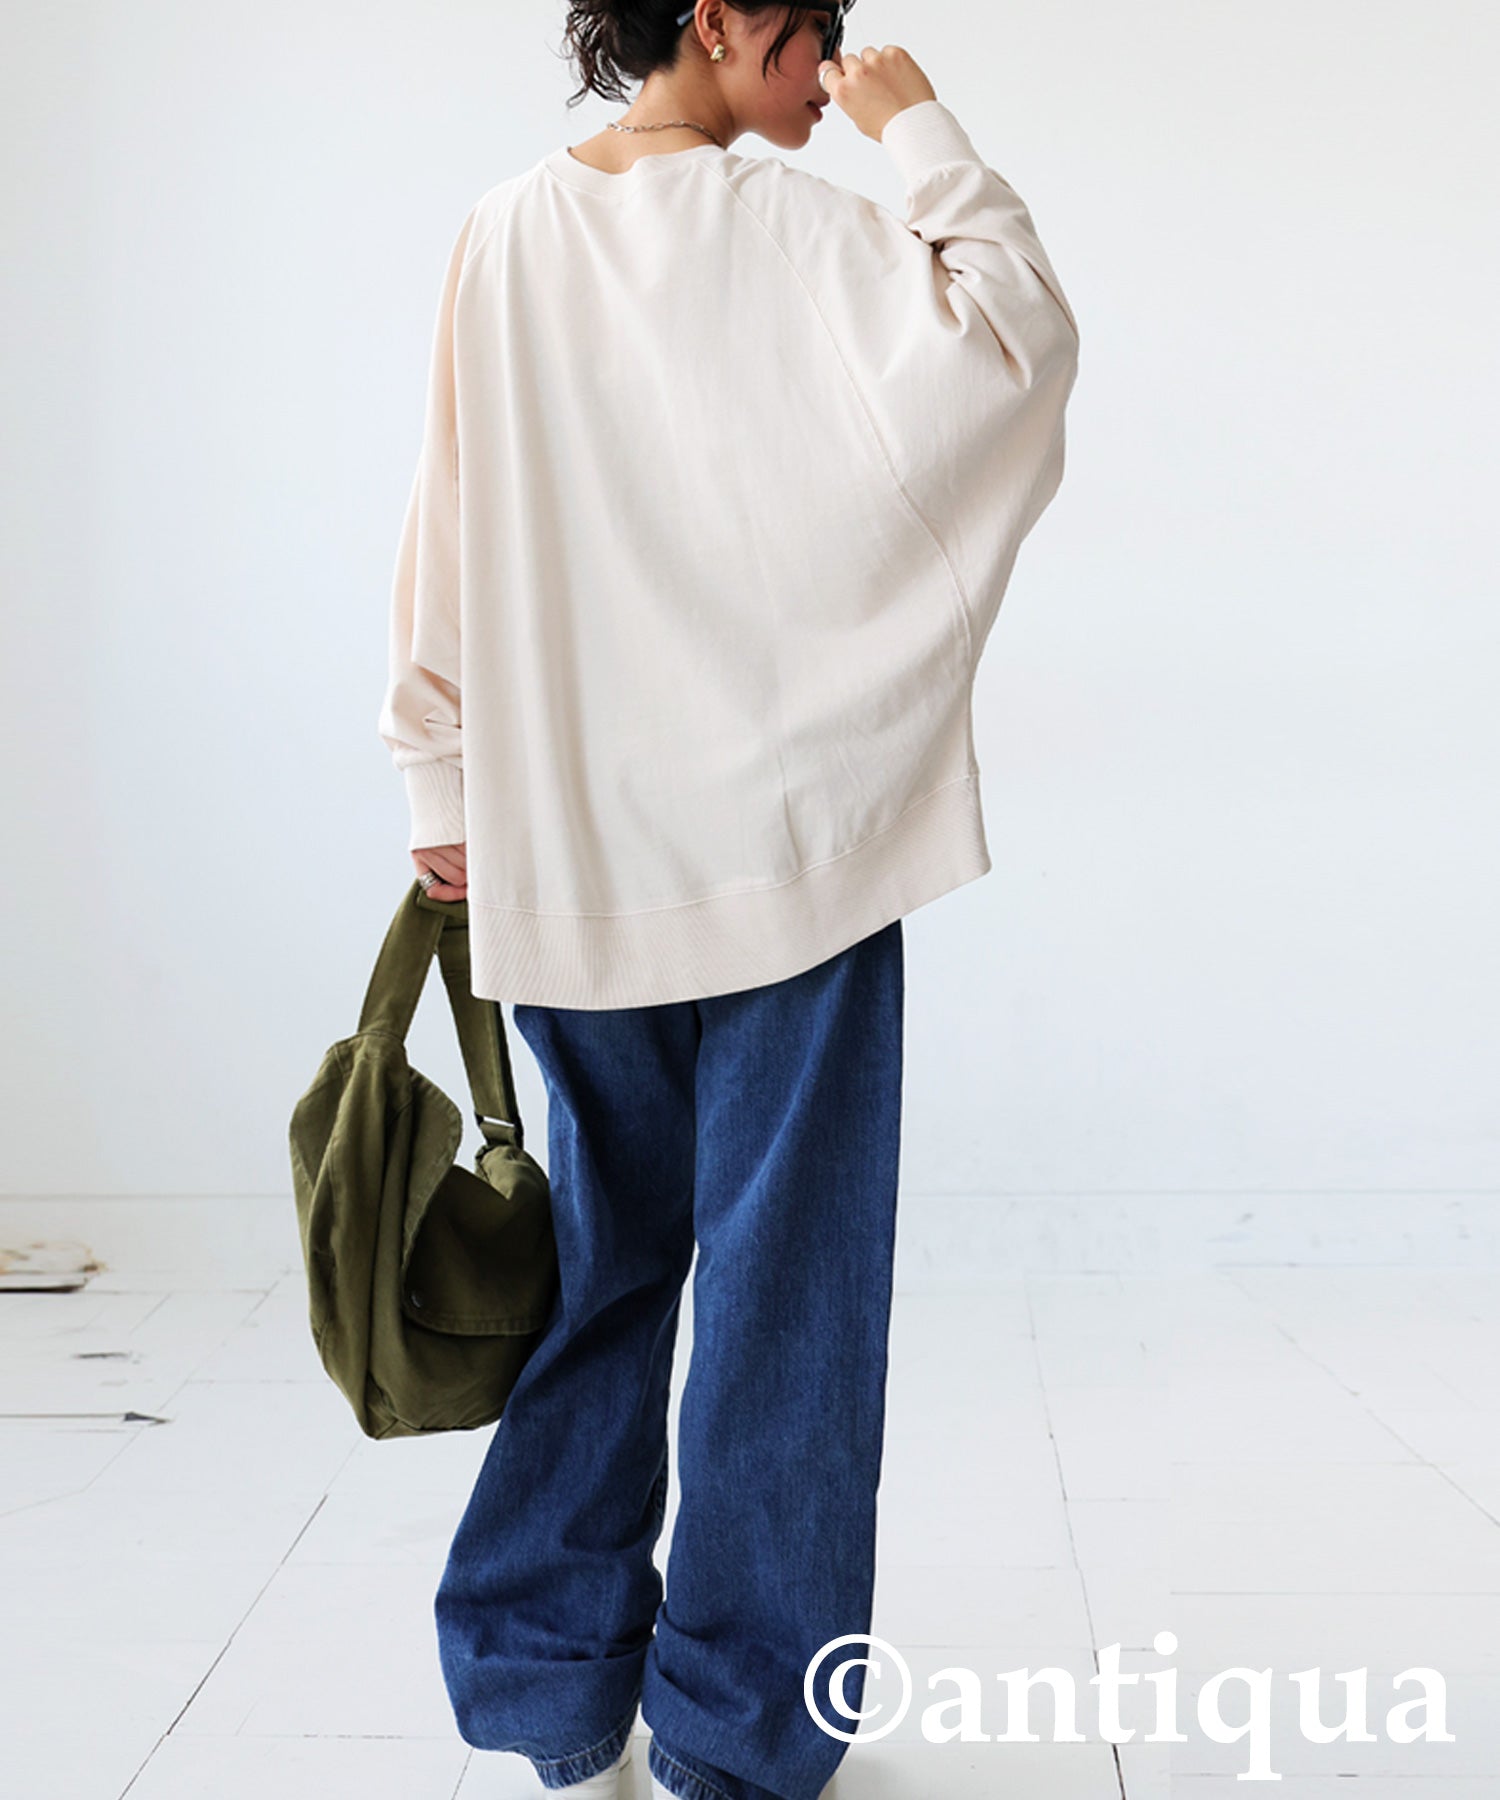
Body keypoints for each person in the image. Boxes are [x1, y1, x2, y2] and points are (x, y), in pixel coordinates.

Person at [377, 4, 1079, 1796]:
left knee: (599, 1271)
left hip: (577, 845)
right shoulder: (811, 229)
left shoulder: (506, 230)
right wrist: (922, 129)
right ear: (715, 18)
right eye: (815, 36)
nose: (831, 71)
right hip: (797, 851)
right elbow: (1020, 339)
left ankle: (550, 1696)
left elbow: (447, 515)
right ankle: (745, 1736)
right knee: (792, 1300)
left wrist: (438, 771)